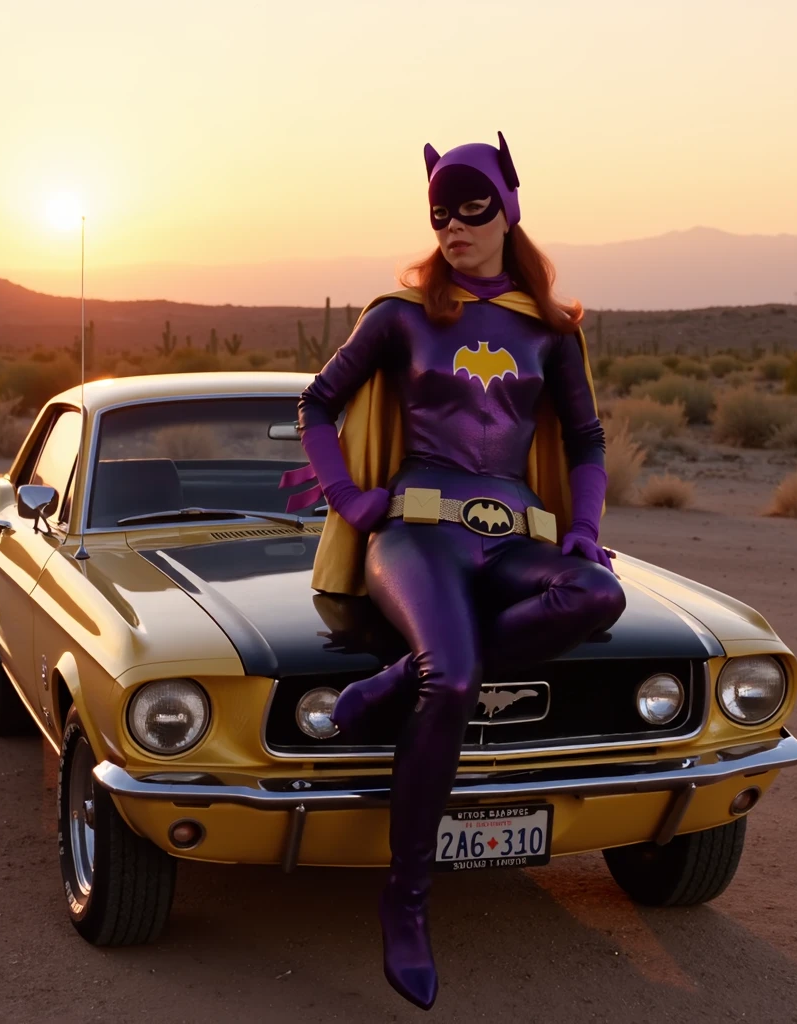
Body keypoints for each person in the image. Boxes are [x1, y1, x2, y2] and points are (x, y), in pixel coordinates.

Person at [280, 132, 626, 1010]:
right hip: (417, 533)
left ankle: (394, 681)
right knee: (458, 673)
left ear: (509, 208)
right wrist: (350, 498)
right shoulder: (401, 313)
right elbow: (317, 402)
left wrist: (582, 529)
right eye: (441, 210)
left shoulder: (549, 330)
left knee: (597, 592)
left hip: (510, 537)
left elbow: (584, 441)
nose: (455, 226)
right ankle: (408, 899)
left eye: (474, 207)